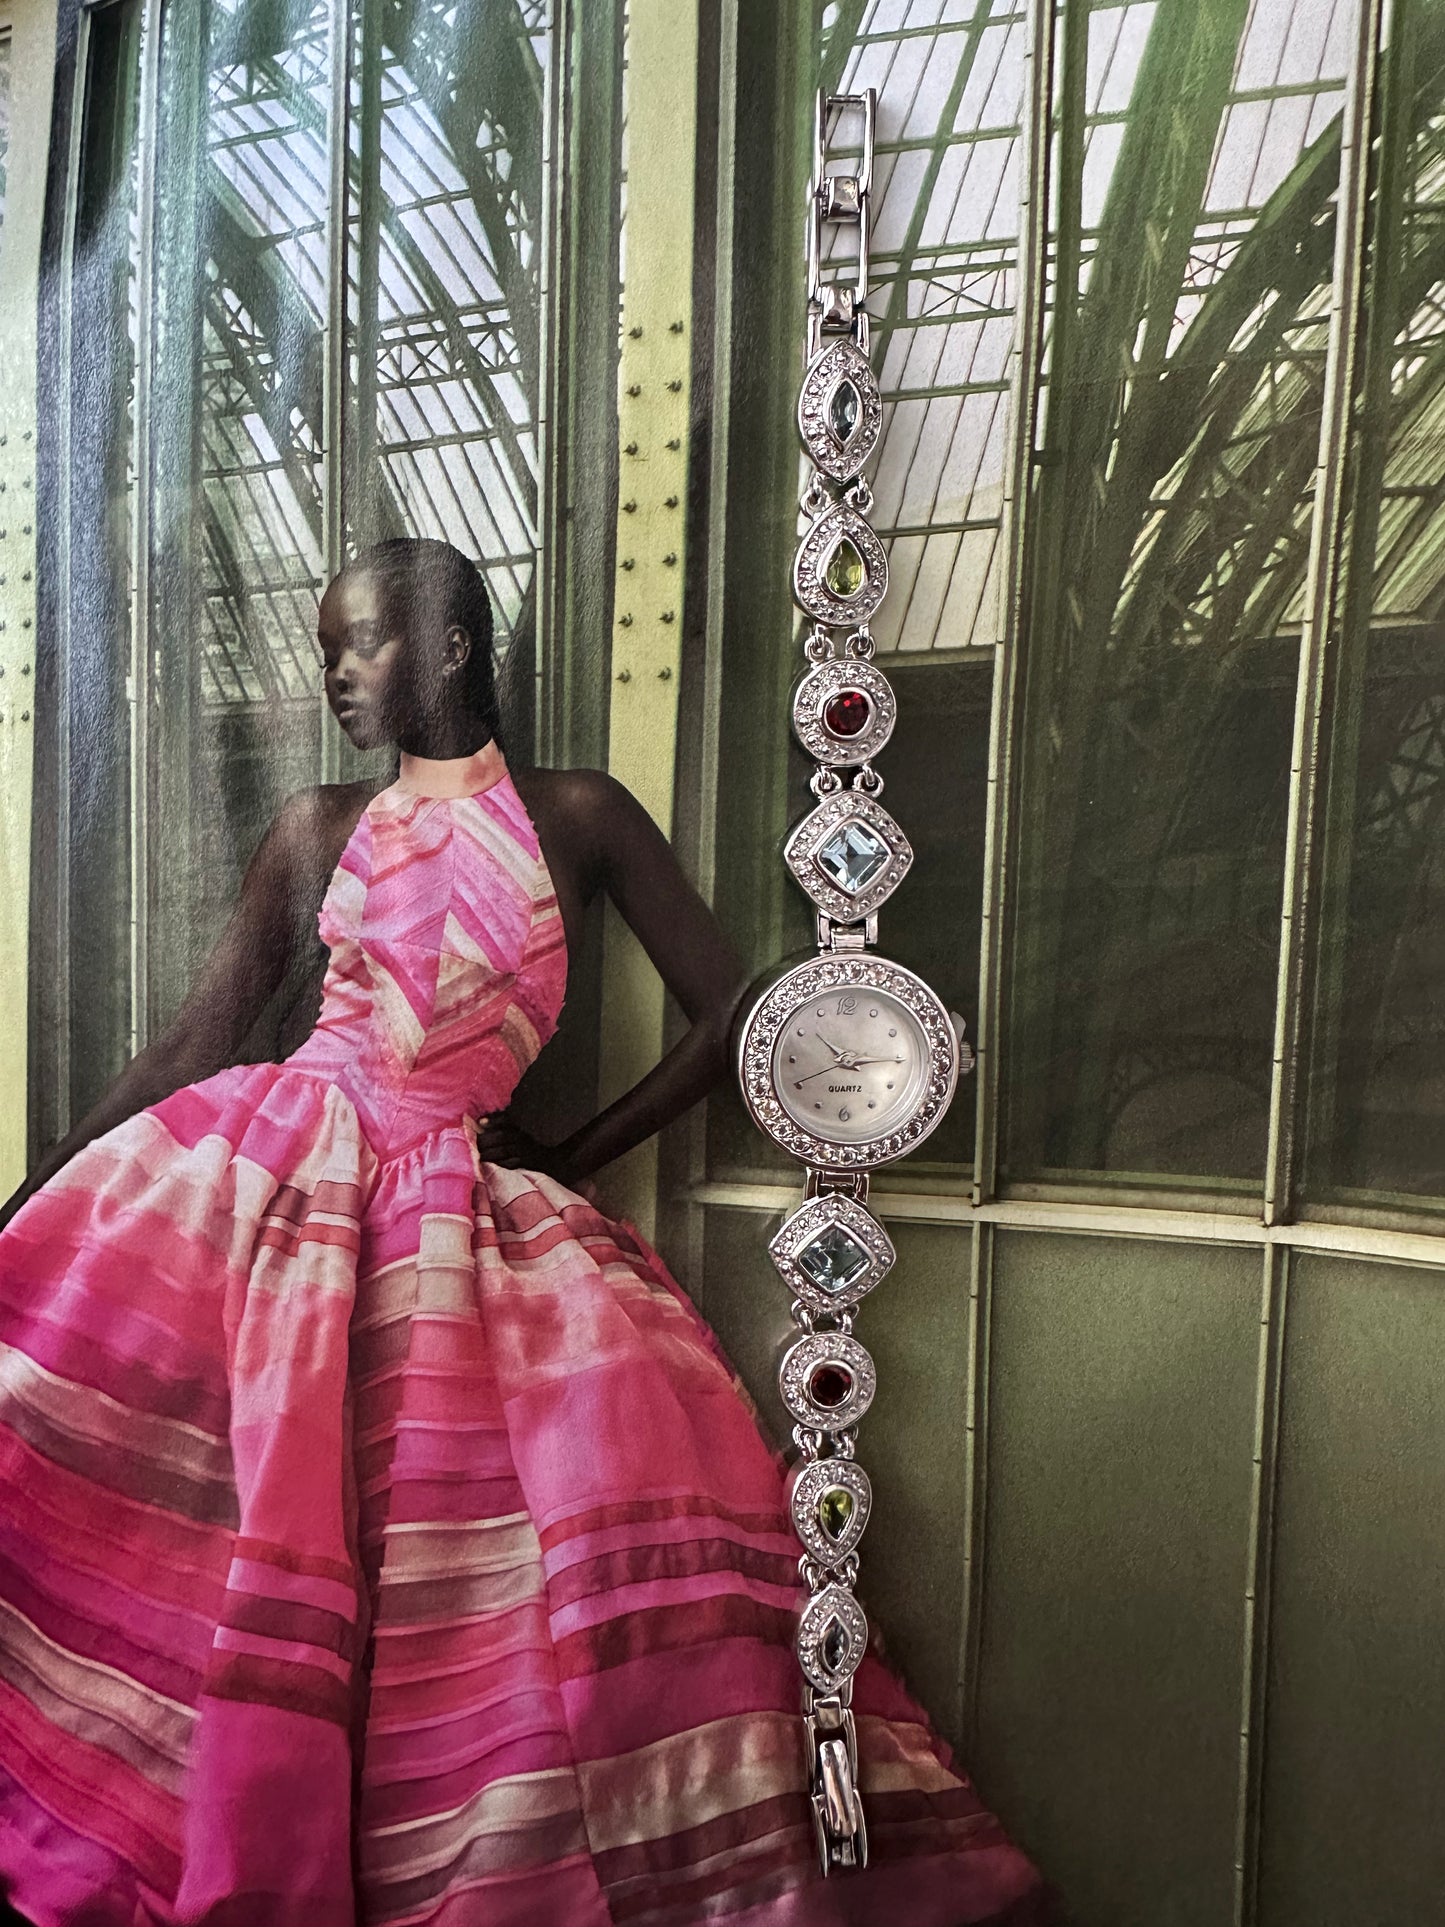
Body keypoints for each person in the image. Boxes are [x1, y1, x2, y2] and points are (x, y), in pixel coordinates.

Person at [0, 538, 1046, 1925]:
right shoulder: (319, 824)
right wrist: (34, 1191)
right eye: (326, 653)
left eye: (359, 644)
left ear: (446, 647)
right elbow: (199, 1035)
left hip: (462, 1208)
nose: (336, 679)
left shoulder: (578, 813)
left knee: (481, 1549)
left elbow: (736, 1007)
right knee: (213, 1488)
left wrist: (570, 1151)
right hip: (281, 1183)